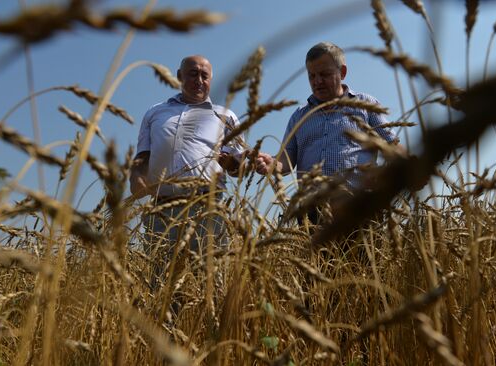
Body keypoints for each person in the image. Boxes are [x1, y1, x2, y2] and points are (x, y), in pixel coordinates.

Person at [130, 55, 245, 288]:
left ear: (211, 80)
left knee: (210, 282)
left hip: (207, 208)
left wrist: (232, 164)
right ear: (180, 76)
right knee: (160, 284)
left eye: (205, 75)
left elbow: (239, 169)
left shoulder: (226, 116)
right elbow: (142, 156)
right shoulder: (155, 112)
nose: (199, 80)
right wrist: (137, 178)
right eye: (193, 74)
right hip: (162, 209)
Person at [255, 42, 402, 224]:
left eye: (324, 74)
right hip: (311, 214)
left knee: (363, 254)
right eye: (312, 76)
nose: (317, 81)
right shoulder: (299, 117)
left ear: (342, 72)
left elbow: (393, 146)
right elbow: (286, 161)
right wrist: (272, 165)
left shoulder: (366, 106)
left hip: (359, 207)